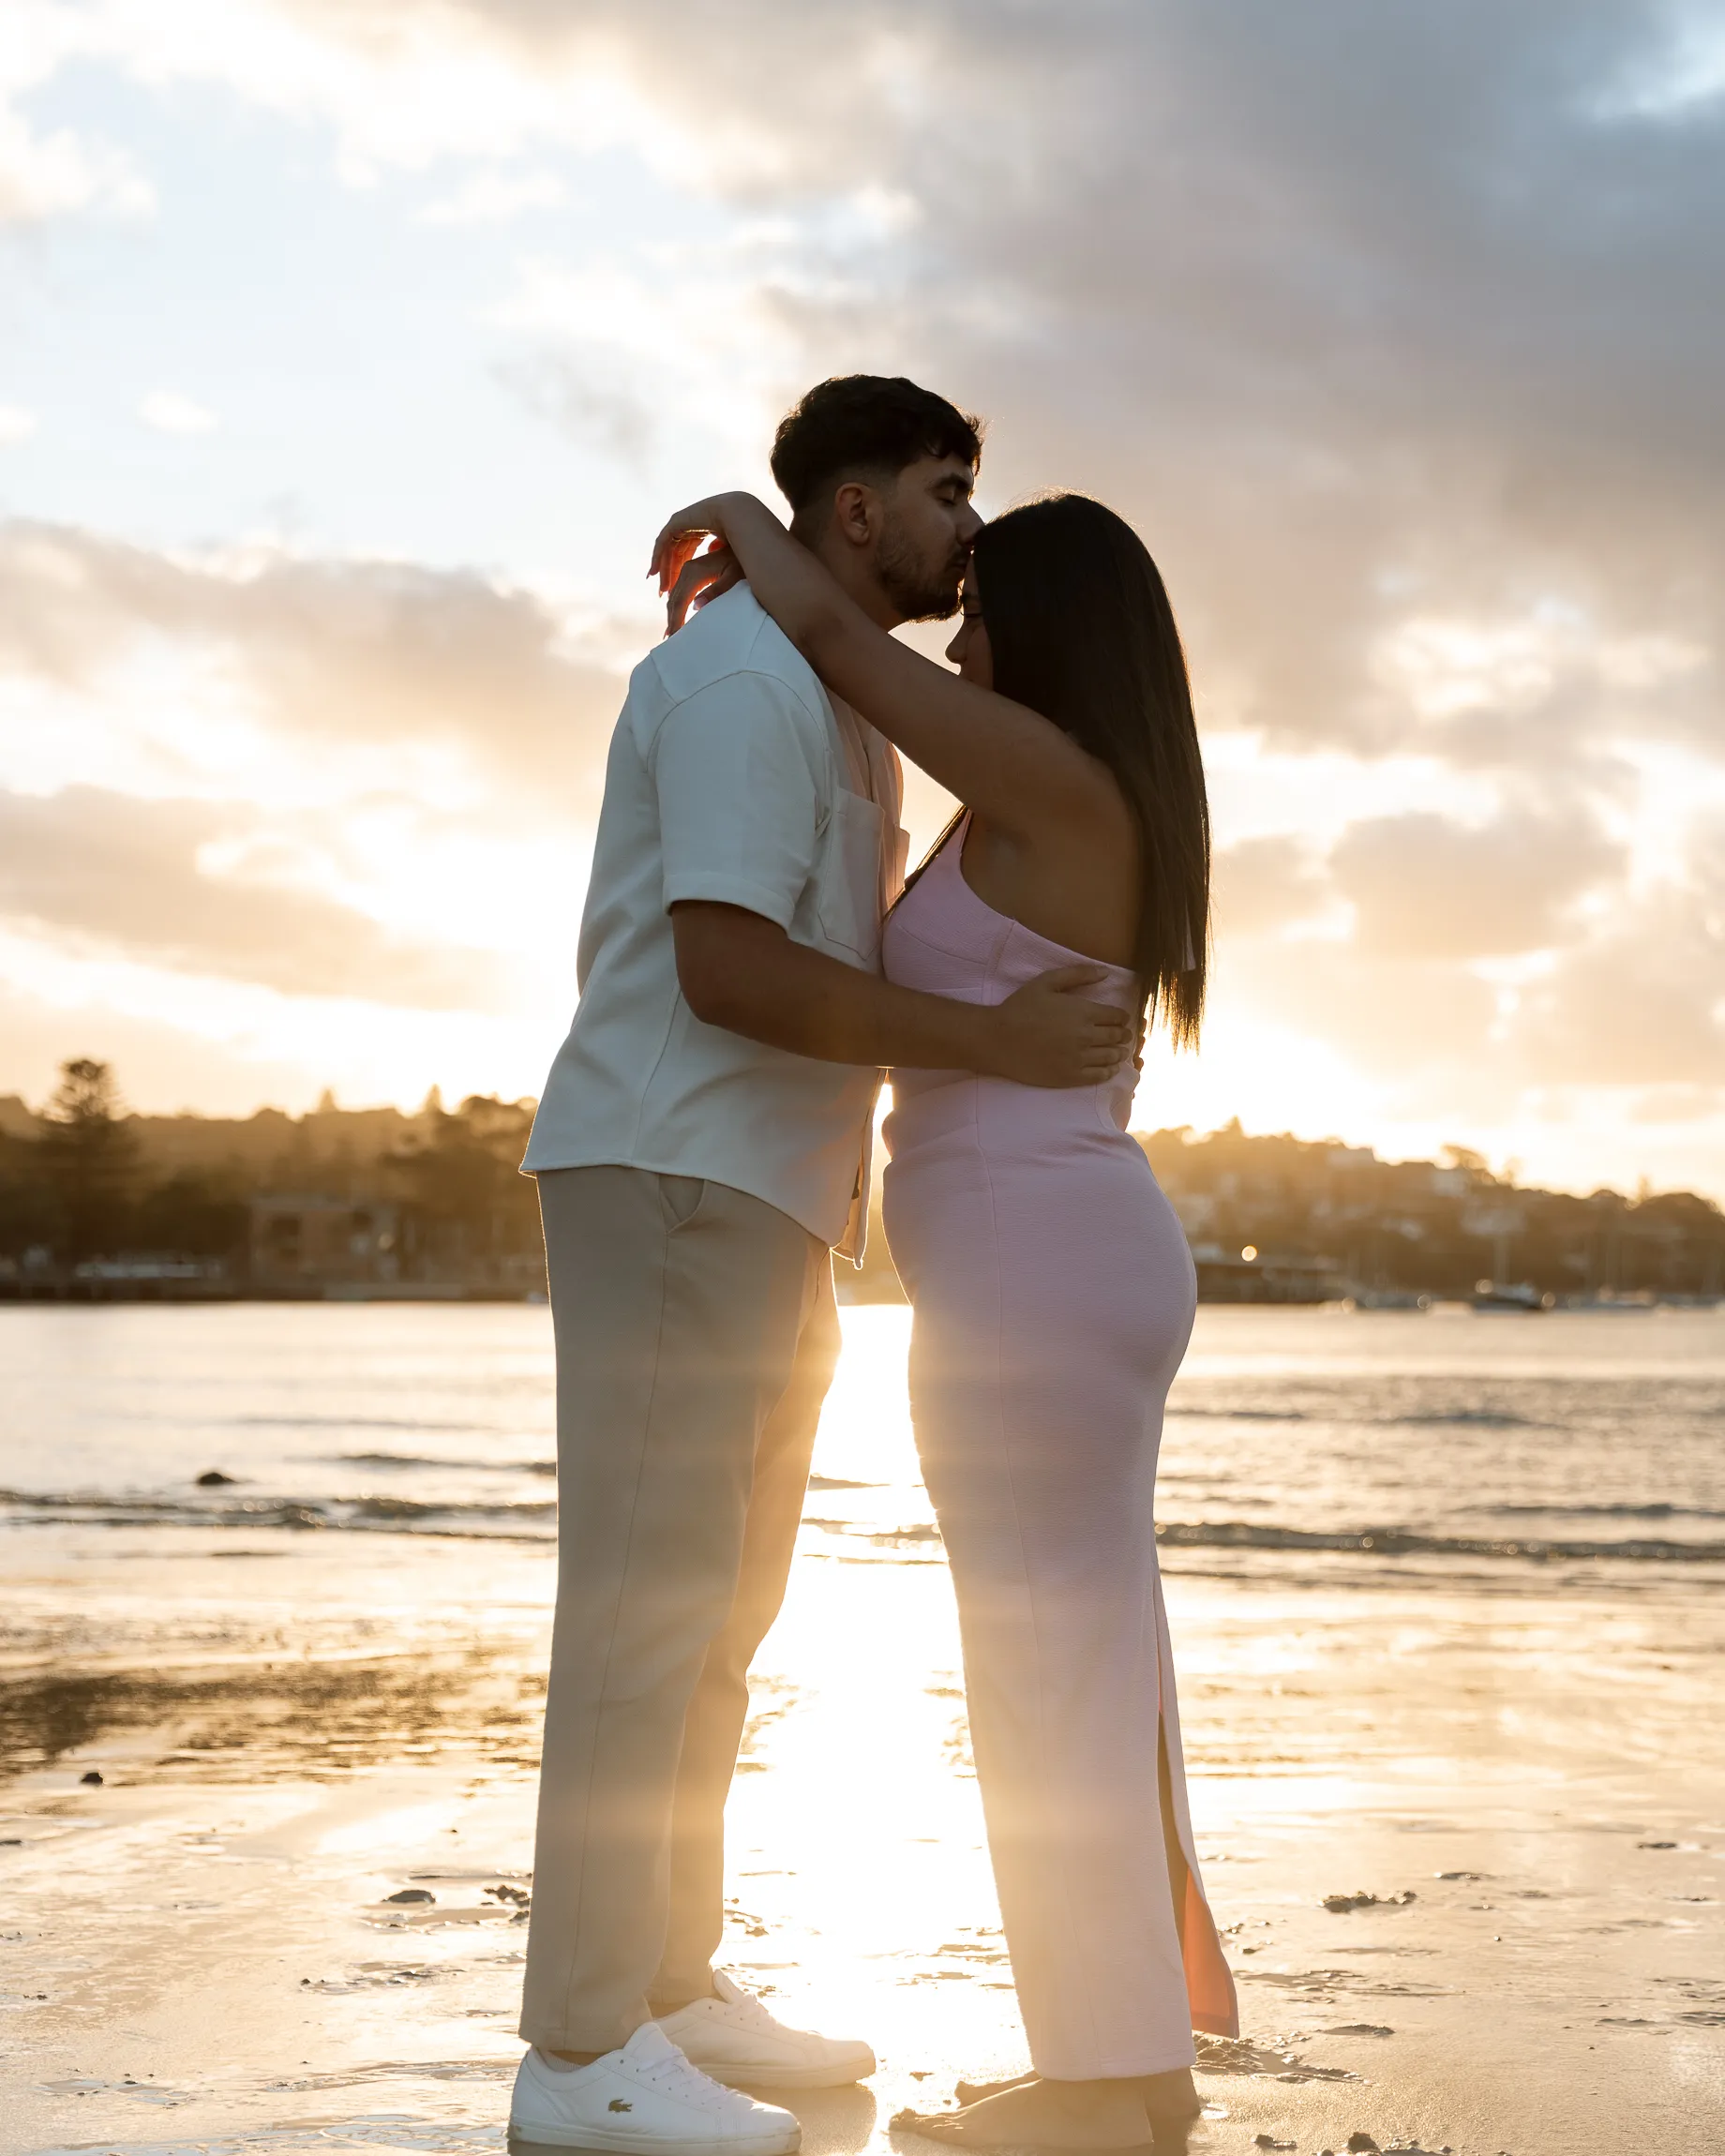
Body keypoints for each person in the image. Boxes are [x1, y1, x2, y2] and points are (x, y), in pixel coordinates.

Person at [508, 376, 1134, 2156]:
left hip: (772, 1205)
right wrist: (1003, 1049)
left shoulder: (831, 688)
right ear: (855, 511)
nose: (967, 530)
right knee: (641, 1615)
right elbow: (725, 969)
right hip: (670, 1170)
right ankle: (572, 2059)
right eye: (946, 492)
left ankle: (667, 1984)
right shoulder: (734, 682)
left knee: (719, 1621)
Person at [652, 485, 1239, 2151]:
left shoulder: (1052, 779)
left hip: (1040, 1267)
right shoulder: (1060, 795)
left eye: (982, 608)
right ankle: (1131, 2068)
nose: (959, 637)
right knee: (1081, 1664)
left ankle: (1106, 2092)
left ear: (1045, 630)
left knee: (1046, 1674)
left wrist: (741, 524)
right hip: (1048, 1264)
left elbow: (844, 641)